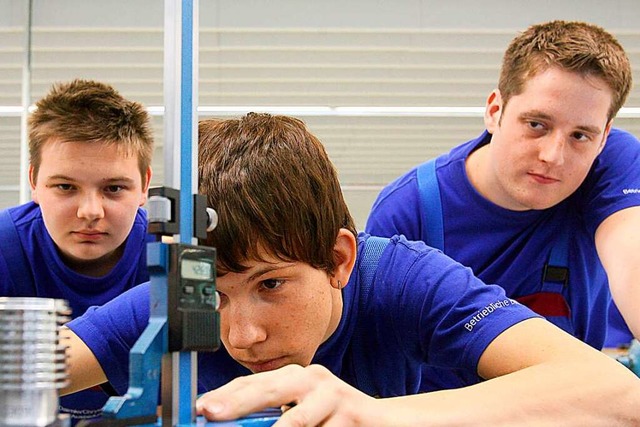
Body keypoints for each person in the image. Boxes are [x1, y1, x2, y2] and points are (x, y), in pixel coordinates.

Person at [61, 113, 640, 425]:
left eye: (271, 284)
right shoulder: (179, 303)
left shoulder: (404, 280)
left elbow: (615, 394)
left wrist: (374, 416)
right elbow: (32, 372)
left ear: (339, 258)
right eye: (213, 296)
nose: (242, 336)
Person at [366, 20, 640, 363]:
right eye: (537, 125)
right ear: (495, 111)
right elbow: (376, 360)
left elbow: (632, 257)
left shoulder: (611, 163)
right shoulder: (407, 212)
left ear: (603, 137)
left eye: (580, 136)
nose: (553, 156)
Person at [0, 79, 154, 422]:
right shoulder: (3, 248)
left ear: (144, 185)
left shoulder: (174, 260)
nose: (90, 212)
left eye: (113, 188)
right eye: (65, 187)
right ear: (34, 182)